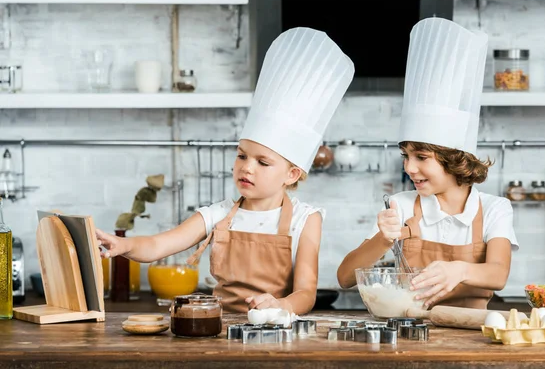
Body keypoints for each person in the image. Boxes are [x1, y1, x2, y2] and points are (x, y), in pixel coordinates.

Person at [96, 27, 354, 315]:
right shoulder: (219, 214)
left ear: (292, 174)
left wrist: (279, 306)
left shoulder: (307, 220)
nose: (246, 167)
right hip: (218, 329)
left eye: (262, 162)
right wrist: (122, 245)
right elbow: (158, 245)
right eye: (242, 155)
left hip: (275, 331)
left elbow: (306, 293)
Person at [336, 17, 518, 310]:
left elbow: (498, 274)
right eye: (406, 156)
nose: (409, 168)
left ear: (455, 159)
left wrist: (459, 269)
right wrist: (383, 239)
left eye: (421, 157)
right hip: (412, 331)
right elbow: (345, 277)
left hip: (469, 336)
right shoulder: (401, 206)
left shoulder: (494, 209)